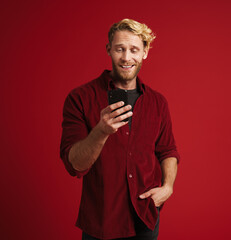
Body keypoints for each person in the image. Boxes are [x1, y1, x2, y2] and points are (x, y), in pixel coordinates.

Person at [60, 18, 180, 240]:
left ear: (145, 52)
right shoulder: (80, 98)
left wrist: (168, 187)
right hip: (101, 222)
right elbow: (75, 164)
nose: (126, 57)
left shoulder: (157, 102)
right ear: (109, 50)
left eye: (134, 49)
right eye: (119, 49)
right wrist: (101, 131)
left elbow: (168, 151)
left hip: (145, 219)